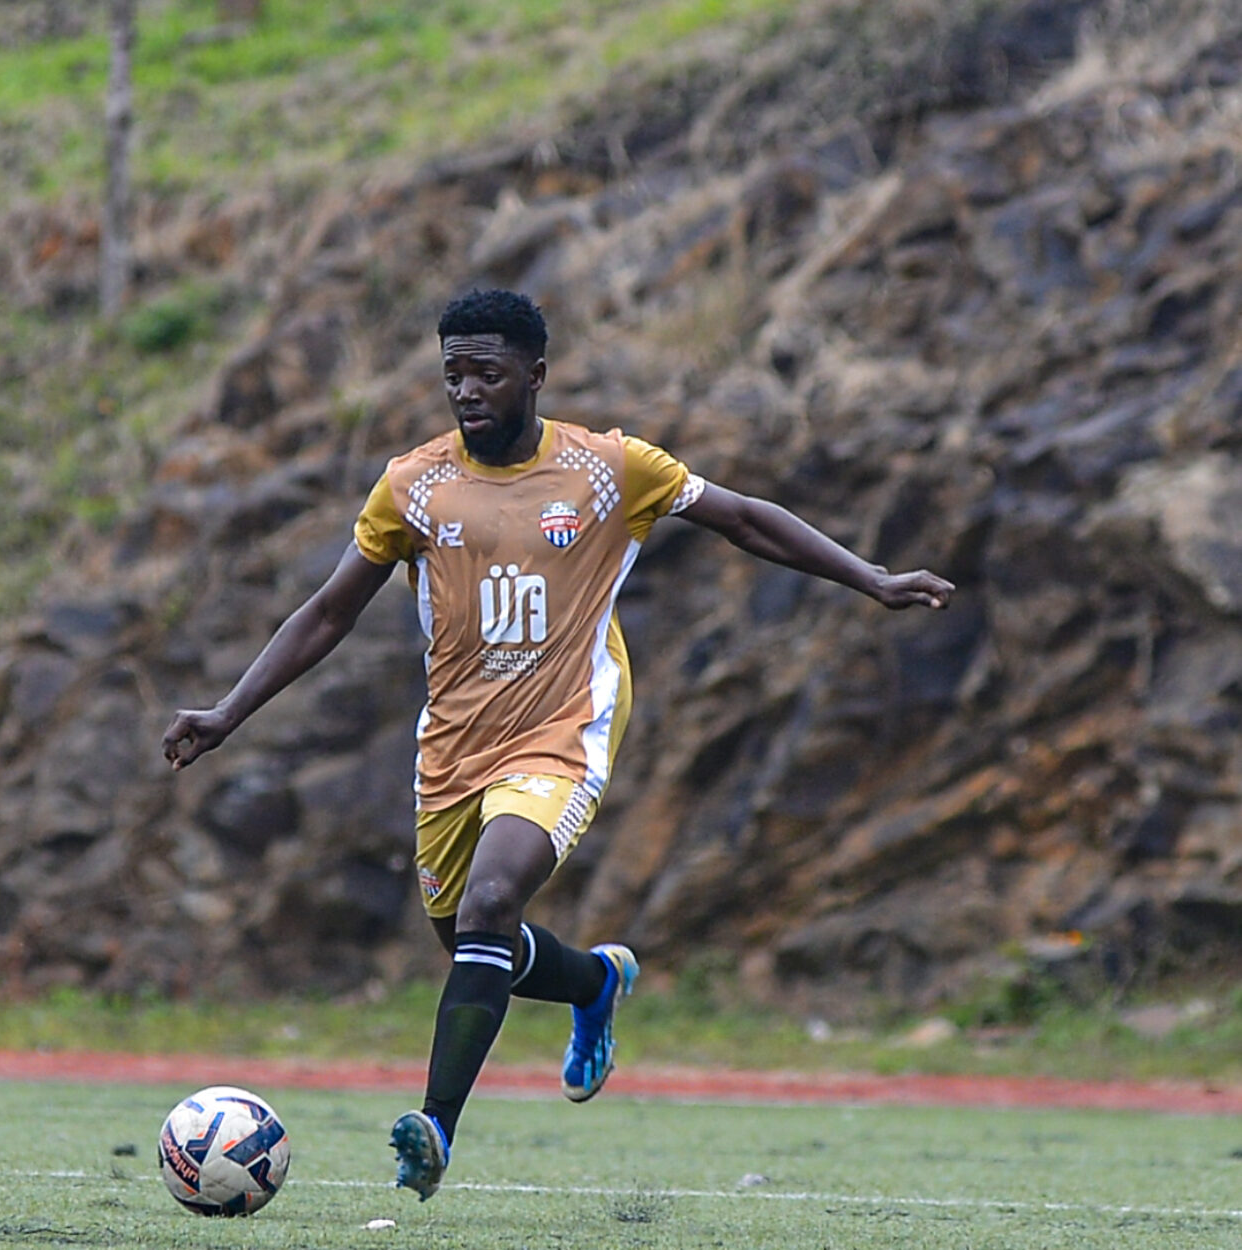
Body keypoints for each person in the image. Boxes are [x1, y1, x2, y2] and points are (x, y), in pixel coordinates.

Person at [161, 288, 954, 1201]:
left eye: (487, 373)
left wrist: (873, 578)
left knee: (494, 898)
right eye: (453, 372)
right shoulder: (413, 484)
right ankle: (592, 985)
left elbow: (741, 516)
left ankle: (435, 1129)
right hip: (452, 747)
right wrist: (228, 712)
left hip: (560, 731)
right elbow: (331, 610)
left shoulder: (612, 468)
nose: (466, 390)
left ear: (536, 375)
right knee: (466, 938)